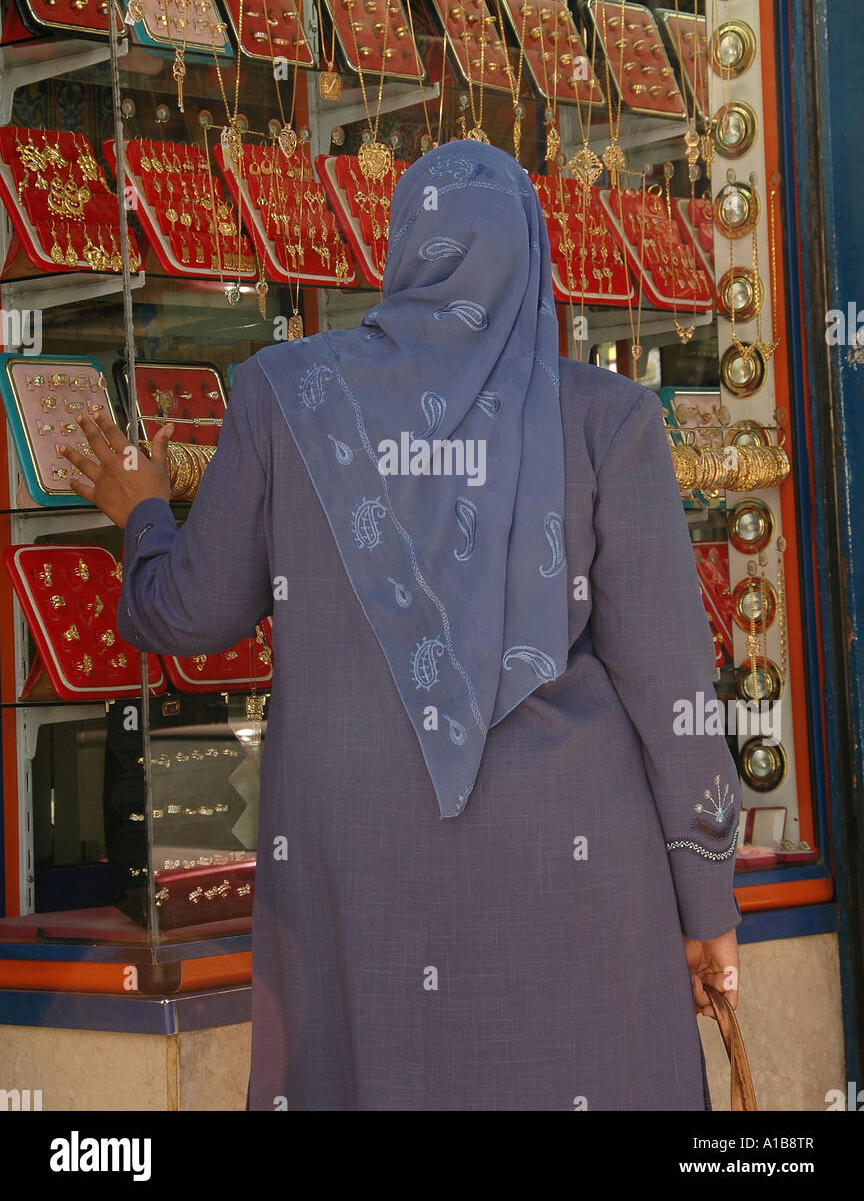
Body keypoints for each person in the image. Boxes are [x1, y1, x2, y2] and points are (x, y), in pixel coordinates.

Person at [61, 139, 741, 1112]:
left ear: (405, 249)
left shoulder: (286, 393)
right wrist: (708, 904)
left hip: (366, 872)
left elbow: (188, 612)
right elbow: (673, 689)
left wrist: (141, 513)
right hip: (575, 876)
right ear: (533, 257)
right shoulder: (609, 420)